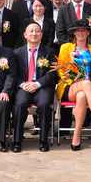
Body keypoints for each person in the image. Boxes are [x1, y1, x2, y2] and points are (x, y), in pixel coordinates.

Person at [55, 19, 91, 151]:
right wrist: (72, 78)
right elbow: (61, 70)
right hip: (70, 86)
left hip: (90, 89)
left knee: (82, 95)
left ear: (88, 32)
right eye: (78, 30)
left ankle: (76, 136)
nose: (81, 32)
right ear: (74, 33)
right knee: (85, 83)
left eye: (84, 30)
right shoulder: (65, 48)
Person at [12, 22, 58, 152]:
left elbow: (53, 74)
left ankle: (43, 140)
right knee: (20, 104)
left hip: (42, 87)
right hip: (24, 86)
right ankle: (17, 141)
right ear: (25, 35)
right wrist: (23, 84)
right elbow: (13, 74)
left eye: (37, 31)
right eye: (31, 31)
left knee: (44, 104)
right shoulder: (16, 53)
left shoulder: (49, 52)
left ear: (41, 35)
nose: (34, 33)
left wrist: (37, 84)